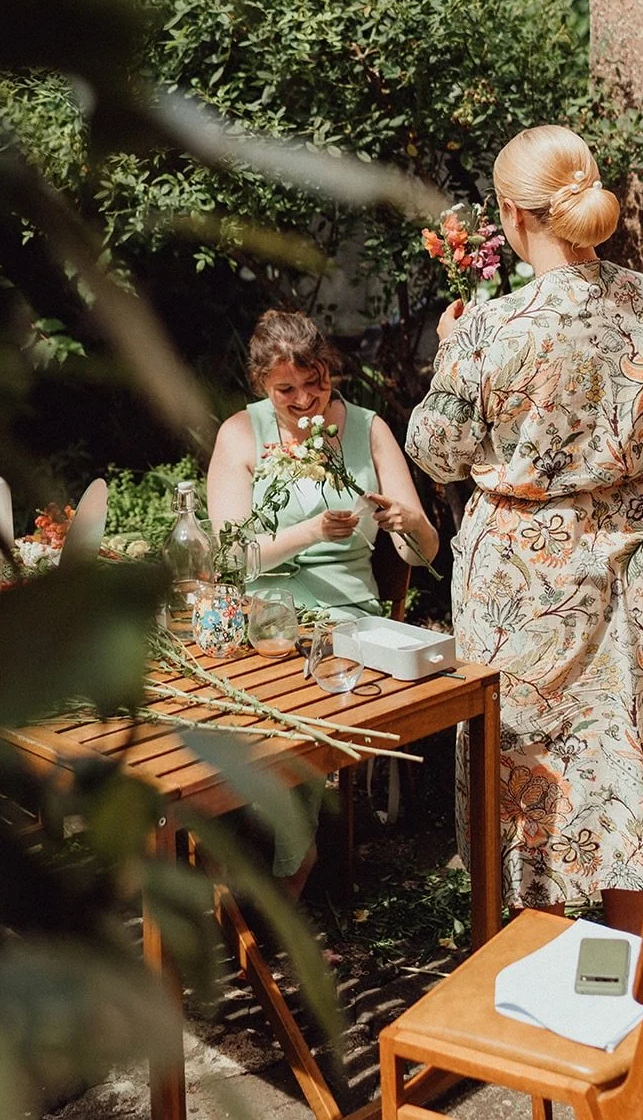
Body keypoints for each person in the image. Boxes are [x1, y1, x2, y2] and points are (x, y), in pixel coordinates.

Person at [406, 125, 643, 911]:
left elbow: (435, 449)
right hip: (635, 549)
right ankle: (639, 976)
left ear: (508, 213)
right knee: (629, 743)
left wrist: (448, 353)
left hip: (526, 575)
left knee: (526, 761)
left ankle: (528, 964)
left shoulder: (493, 328)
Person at [207, 309, 439, 894]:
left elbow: (424, 552)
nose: (305, 399)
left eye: (317, 383)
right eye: (288, 389)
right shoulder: (241, 433)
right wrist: (311, 532)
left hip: (344, 620)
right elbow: (230, 560)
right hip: (259, 616)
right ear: (262, 382)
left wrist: (407, 521)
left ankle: (293, 863)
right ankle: (209, 854)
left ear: (330, 372)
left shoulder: (369, 429)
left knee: (305, 707)